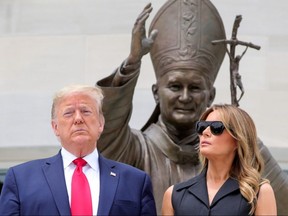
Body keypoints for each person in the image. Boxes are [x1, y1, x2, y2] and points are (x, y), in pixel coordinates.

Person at [96, 1, 288, 215]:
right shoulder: (136, 150)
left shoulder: (241, 149)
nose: (185, 97)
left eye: (195, 87)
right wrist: (131, 63)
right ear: (156, 92)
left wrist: (243, 140)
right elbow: (104, 129)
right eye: (175, 86)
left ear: (211, 95)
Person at [0, 85, 157, 216]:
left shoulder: (135, 181)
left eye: (86, 111)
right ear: (55, 127)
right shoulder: (21, 180)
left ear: (101, 124)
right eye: (68, 113)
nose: (78, 119)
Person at [162, 104, 277, 215]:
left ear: (238, 139)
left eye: (216, 127)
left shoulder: (260, 192)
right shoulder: (174, 195)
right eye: (201, 127)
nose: (205, 132)